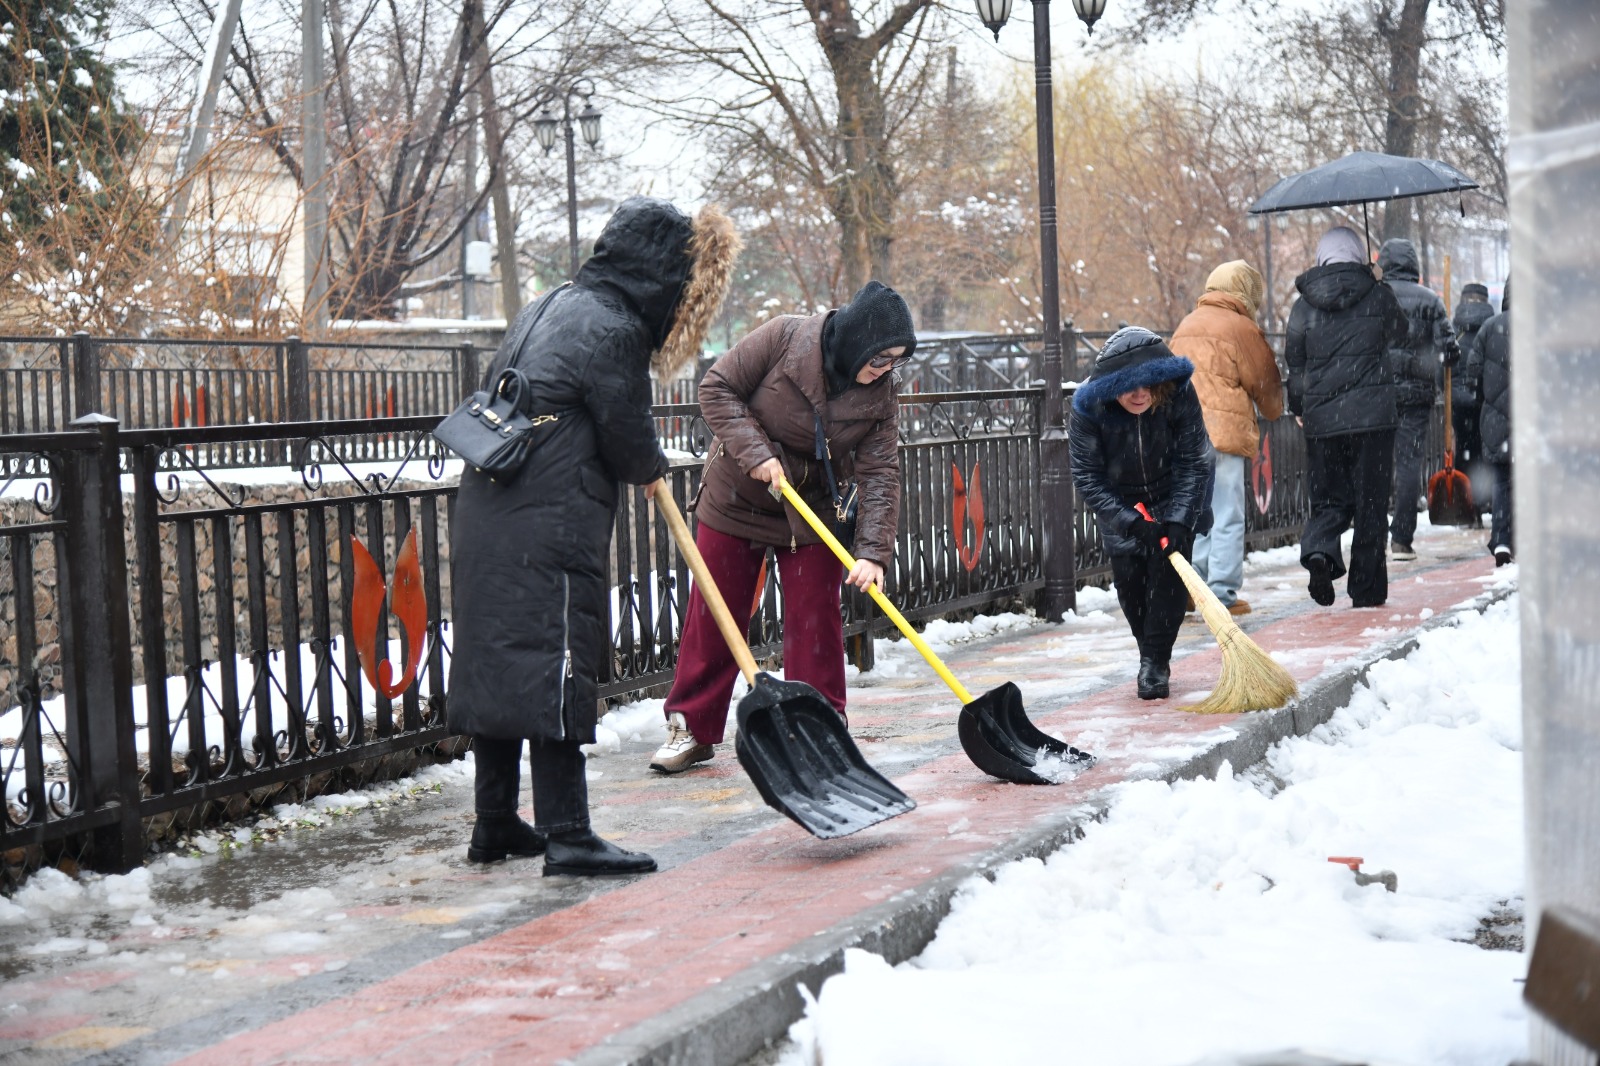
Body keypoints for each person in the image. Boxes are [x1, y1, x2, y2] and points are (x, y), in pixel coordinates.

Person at [448, 197, 739, 874]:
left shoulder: (550, 304)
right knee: (555, 666)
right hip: (549, 521)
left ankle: (494, 823)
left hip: (491, 506)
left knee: (502, 668)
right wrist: (651, 466)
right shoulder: (614, 328)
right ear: (662, 272)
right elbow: (626, 434)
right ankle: (569, 834)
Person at [649, 280, 911, 773]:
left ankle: (819, 728)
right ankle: (692, 727)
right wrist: (757, 454)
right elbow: (716, 388)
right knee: (716, 614)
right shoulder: (784, 337)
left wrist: (873, 552)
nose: (886, 369)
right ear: (855, 341)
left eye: (896, 361)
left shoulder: (880, 393)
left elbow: (880, 471)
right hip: (738, 497)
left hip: (812, 507)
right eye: (880, 358)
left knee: (816, 620)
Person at [1069, 327, 1212, 700]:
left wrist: (1179, 519)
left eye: (1147, 384)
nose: (1140, 394)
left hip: (1173, 493)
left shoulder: (1178, 394)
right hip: (1121, 502)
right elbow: (1087, 476)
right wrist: (1131, 522)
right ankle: (1148, 650)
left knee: (1168, 583)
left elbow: (1194, 460)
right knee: (1131, 588)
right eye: (1129, 386)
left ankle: (1154, 662)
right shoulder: (1089, 407)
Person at [1284, 225, 1409, 608]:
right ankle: (1366, 589)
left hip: (1323, 423)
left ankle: (1320, 552)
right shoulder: (1378, 295)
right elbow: (1401, 333)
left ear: (1321, 257)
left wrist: (1300, 408)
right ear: (1358, 255)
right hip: (1374, 421)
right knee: (1371, 504)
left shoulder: (1303, 306)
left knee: (1329, 499)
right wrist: (1377, 284)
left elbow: (1296, 365)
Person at [1168, 260, 1284, 616]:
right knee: (1227, 514)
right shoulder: (1241, 328)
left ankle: (1195, 587)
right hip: (1223, 435)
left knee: (1196, 514)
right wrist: (1273, 408)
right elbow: (1264, 381)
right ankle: (1222, 594)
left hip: (1185, 435)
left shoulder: (1187, 325)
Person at [1376, 237, 1460, 561]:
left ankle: (1374, 534)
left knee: (1378, 464)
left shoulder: (1375, 296)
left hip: (1379, 393)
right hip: (1416, 395)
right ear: (1413, 264)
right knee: (1409, 463)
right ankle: (1401, 539)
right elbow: (1448, 350)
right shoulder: (1430, 300)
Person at [1466, 277, 1513, 565]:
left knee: (1501, 481)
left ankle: (1502, 539)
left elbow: (1472, 374)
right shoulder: (1541, 328)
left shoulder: (1488, 328)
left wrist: (1485, 400)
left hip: (1495, 420)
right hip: (1531, 420)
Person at [1451, 281, 1496, 516]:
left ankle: (1466, 503)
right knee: (1486, 450)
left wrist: (1453, 391)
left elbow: (1442, 370)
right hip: (1485, 401)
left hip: (1459, 404)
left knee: (1464, 449)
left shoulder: (1454, 329)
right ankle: (1486, 499)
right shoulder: (1492, 329)